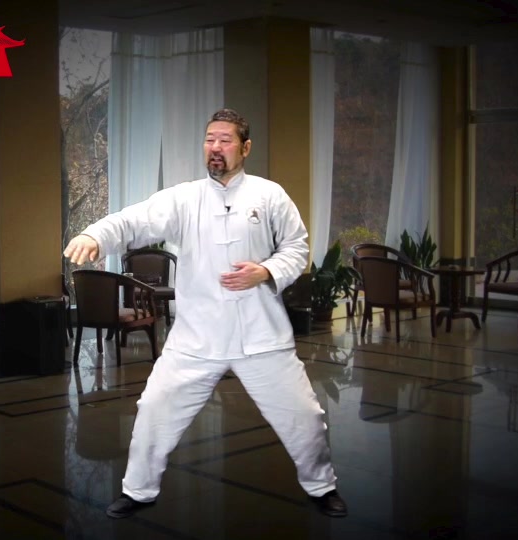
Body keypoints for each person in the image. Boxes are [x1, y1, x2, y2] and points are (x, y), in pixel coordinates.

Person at [63, 109, 348, 519]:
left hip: (262, 336)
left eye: (225, 140)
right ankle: (138, 491)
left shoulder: (270, 195)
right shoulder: (184, 198)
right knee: (154, 410)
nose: (215, 147)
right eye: (210, 139)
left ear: (245, 148)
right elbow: (132, 220)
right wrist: (95, 234)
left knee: (305, 416)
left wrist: (266, 271)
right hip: (196, 338)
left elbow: (296, 247)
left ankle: (322, 487)